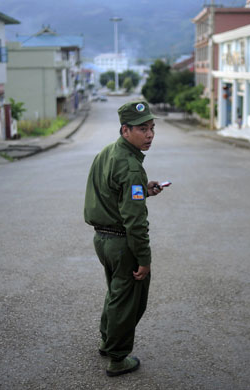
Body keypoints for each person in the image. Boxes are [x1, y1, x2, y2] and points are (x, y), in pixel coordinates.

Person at [84, 100, 164, 377]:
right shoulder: (131, 167)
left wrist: (144, 188)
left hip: (103, 239)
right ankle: (118, 358)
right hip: (122, 243)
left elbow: (113, 193)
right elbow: (135, 219)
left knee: (116, 294)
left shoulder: (108, 152)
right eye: (143, 129)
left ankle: (108, 342)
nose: (150, 134)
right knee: (128, 300)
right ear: (125, 130)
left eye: (152, 128)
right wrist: (144, 258)